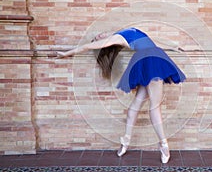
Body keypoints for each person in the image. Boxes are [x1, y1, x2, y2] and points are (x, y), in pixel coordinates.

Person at [57, 27, 186, 163]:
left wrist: (173, 47)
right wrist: (66, 53)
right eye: (97, 39)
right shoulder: (115, 38)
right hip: (150, 61)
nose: (98, 35)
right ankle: (163, 145)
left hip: (151, 58)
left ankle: (125, 141)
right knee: (155, 106)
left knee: (136, 105)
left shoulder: (122, 33)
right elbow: (87, 46)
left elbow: (150, 40)